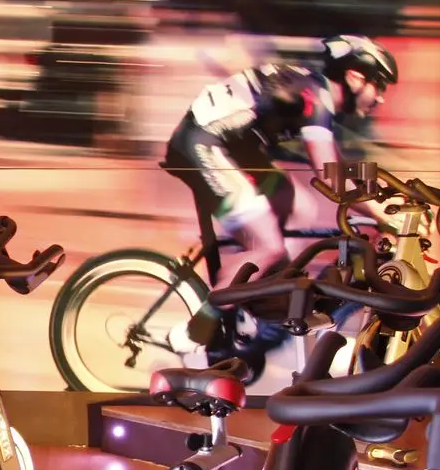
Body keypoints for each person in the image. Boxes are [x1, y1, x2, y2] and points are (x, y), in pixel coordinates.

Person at [160, 34, 400, 353]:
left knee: (298, 205)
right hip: (203, 144)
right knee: (268, 245)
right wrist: (381, 214)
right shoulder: (316, 96)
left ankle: (257, 289)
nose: (380, 98)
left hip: (234, 147)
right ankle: (197, 329)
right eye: (379, 85)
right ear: (356, 77)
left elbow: (336, 166)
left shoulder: (315, 91)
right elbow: (329, 174)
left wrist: (381, 196)